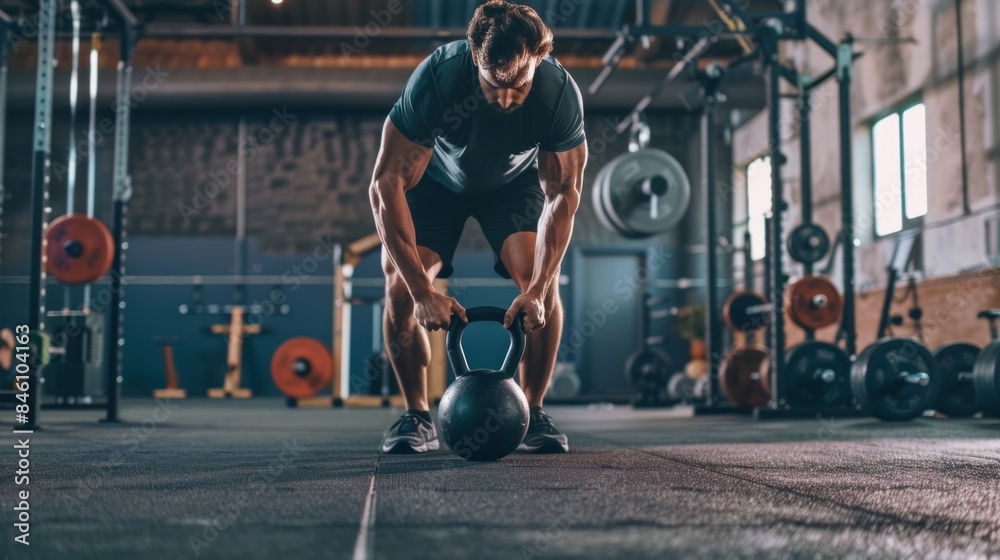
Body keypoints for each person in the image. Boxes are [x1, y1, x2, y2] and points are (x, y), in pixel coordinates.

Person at [370, 0, 587, 454]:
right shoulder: (438, 78)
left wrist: (539, 286)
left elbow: (563, 193)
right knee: (396, 288)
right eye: (495, 87)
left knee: (542, 289)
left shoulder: (558, 94)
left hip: (513, 190)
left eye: (519, 85)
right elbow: (384, 184)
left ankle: (533, 410)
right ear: (474, 58)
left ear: (539, 60)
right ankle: (416, 415)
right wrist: (421, 291)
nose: (507, 100)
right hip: (436, 185)